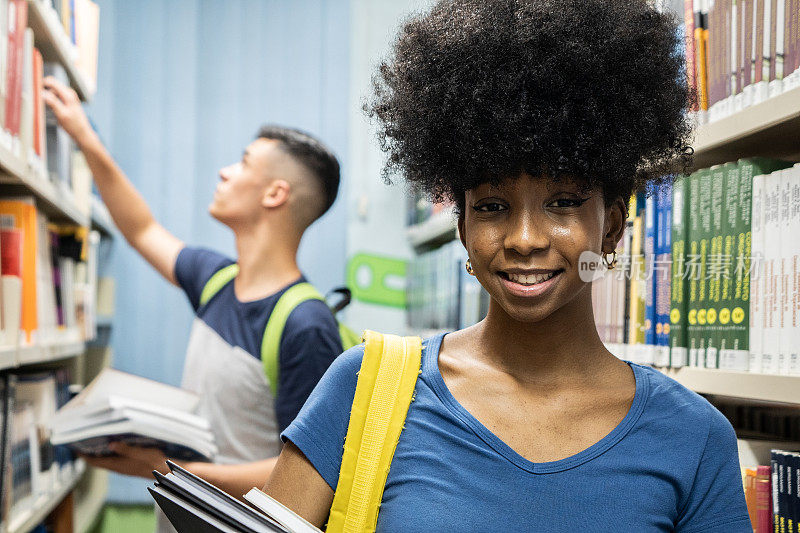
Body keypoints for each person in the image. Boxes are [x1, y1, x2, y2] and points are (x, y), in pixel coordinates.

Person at [262, 0, 752, 531]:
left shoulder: (692, 438)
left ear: (611, 226)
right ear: (463, 229)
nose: (524, 239)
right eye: (493, 208)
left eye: (562, 202)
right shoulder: (365, 388)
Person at [42, 79, 344, 501]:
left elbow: (303, 469)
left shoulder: (306, 325)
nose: (225, 171)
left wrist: (168, 470)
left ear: (275, 193)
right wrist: (85, 138)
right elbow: (142, 229)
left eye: (242, 162)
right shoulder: (216, 278)